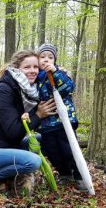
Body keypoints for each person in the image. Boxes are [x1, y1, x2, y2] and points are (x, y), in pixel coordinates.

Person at [0, 49, 57, 194]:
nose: (33, 71)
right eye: (27, 67)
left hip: (10, 145)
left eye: (35, 67)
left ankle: (14, 172)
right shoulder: (4, 90)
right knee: (33, 161)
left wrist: (59, 73)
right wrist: (38, 114)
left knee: (47, 139)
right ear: (17, 69)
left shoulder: (28, 90)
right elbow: (13, 132)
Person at [35, 42, 86, 191]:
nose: (46, 60)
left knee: (69, 150)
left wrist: (56, 73)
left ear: (54, 60)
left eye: (50, 57)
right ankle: (64, 173)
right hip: (46, 124)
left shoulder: (59, 73)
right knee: (52, 151)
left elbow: (68, 88)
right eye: (42, 56)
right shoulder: (35, 77)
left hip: (64, 121)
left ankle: (79, 175)